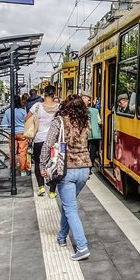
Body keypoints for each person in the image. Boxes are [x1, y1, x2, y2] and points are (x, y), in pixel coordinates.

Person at [40, 94, 92, 261]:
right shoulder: (86, 122)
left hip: (66, 170)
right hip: (84, 169)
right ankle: (62, 237)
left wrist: (42, 165)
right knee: (69, 206)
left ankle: (82, 246)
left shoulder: (59, 121)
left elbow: (48, 144)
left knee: (70, 208)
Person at [27, 85, 60, 197]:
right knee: (54, 164)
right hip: (54, 141)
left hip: (39, 139)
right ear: (54, 93)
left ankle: (41, 187)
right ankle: (52, 191)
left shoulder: (37, 106)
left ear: (44, 93)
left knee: (37, 163)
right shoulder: (58, 107)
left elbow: (27, 119)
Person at [2, 95, 30, 176]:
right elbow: (27, 123)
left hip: (11, 133)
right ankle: (22, 171)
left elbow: (4, 124)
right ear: (19, 102)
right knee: (22, 152)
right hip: (22, 134)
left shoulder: (8, 111)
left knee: (12, 152)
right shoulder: (23, 111)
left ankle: (12, 169)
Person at [80, 91, 102, 168]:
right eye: (88, 100)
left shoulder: (79, 110)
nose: (89, 102)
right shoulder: (95, 111)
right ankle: (89, 167)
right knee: (92, 151)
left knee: (84, 150)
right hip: (94, 135)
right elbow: (99, 121)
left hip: (83, 135)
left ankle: (84, 166)